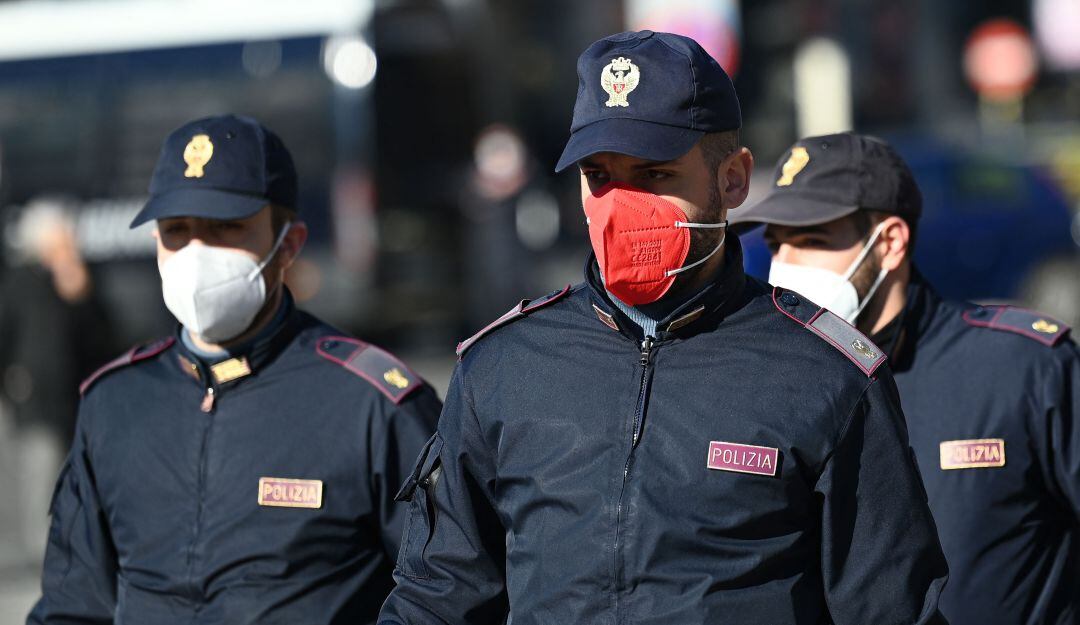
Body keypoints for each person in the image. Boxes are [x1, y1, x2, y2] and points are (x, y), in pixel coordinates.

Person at [378, 32, 948, 625]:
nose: (621, 206)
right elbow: (438, 597)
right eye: (598, 176)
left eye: (653, 175)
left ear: (733, 180)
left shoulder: (826, 375)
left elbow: (891, 608)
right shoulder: (503, 366)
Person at [28, 114, 442, 625]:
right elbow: (72, 606)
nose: (196, 254)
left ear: (288, 244)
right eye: (176, 231)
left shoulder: (372, 405)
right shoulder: (114, 402)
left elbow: (444, 594)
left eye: (226, 228)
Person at [733, 132, 1080, 625]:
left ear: (890, 242)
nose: (784, 265)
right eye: (776, 243)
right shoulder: (777, 385)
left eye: (811, 240)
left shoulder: (1022, 369)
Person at [0, 197, 116, 565]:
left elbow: (102, 336)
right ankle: (43, 550)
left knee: (73, 470)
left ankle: (69, 543)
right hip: (36, 396)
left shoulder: (79, 277)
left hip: (76, 396)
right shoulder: (22, 281)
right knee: (41, 466)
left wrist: (81, 295)